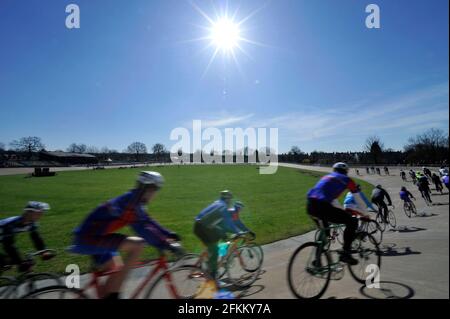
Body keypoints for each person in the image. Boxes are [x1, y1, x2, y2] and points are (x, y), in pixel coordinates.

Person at [69, 171, 182, 299]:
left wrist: (168, 234)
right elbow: (143, 229)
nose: (155, 195)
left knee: (117, 269)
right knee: (138, 245)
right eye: (155, 190)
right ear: (148, 189)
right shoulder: (131, 205)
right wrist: (165, 243)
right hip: (90, 239)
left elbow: (147, 221)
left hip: (94, 236)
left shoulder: (133, 200)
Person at [307, 162, 368, 265]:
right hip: (323, 206)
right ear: (346, 172)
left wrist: (342, 213)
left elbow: (332, 201)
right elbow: (358, 199)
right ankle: (346, 254)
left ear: (334, 170)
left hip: (310, 206)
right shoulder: (347, 180)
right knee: (352, 222)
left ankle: (317, 261)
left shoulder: (327, 177)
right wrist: (365, 213)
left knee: (324, 233)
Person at [194, 191, 246, 287]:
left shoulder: (217, 203)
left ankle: (209, 266)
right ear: (228, 199)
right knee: (214, 251)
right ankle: (213, 280)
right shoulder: (223, 207)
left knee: (217, 243)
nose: (230, 201)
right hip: (204, 227)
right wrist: (238, 232)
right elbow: (229, 222)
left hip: (199, 226)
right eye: (230, 199)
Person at [0, 202, 54, 272]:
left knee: (11, 262)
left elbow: (36, 238)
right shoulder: (10, 224)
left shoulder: (31, 223)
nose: (41, 216)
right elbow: (8, 245)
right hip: (6, 241)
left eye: (42, 213)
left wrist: (43, 252)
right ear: (29, 213)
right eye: (38, 213)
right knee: (6, 261)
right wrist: (20, 262)